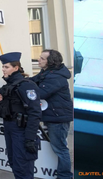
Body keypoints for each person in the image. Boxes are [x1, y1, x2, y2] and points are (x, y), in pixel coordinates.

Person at [0, 52, 42, 179]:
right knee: (14, 163)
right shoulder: (7, 87)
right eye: (3, 66)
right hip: (9, 127)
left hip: (22, 130)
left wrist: (30, 138)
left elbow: (35, 112)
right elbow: (3, 112)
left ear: (16, 68)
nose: (3, 69)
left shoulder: (26, 85)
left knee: (23, 166)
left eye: (6, 67)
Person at [31, 50, 72, 179]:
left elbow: (40, 93)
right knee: (58, 147)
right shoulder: (46, 72)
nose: (38, 60)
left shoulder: (55, 77)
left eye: (42, 58)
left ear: (50, 61)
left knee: (60, 149)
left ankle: (65, 176)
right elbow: (33, 81)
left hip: (58, 118)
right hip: (53, 116)